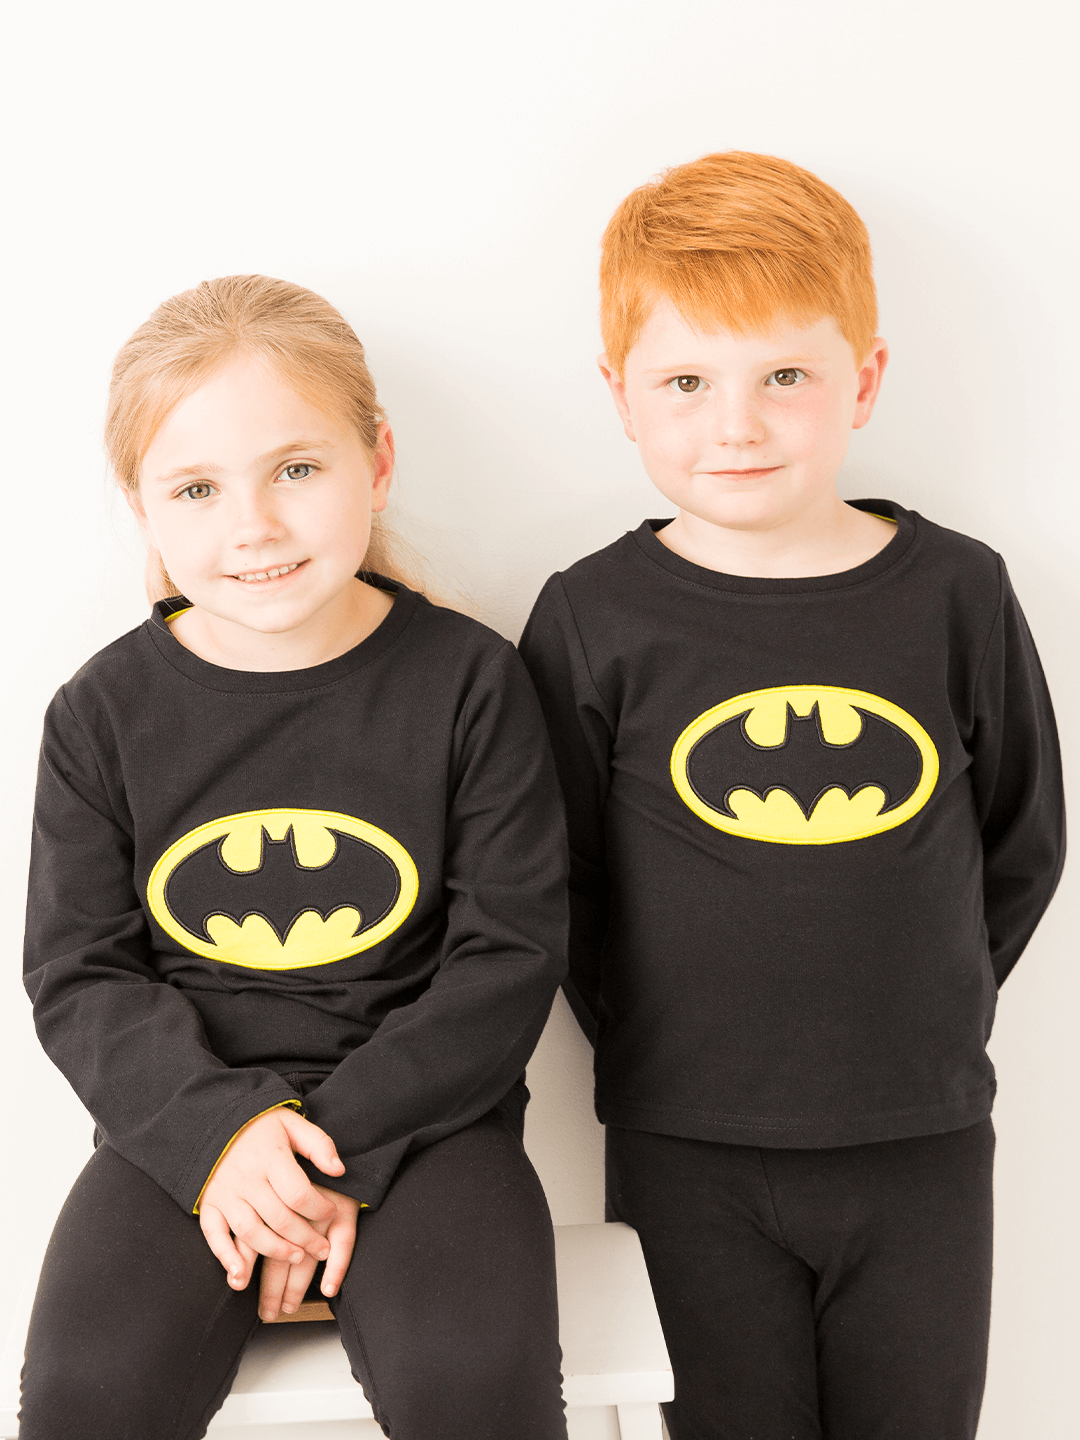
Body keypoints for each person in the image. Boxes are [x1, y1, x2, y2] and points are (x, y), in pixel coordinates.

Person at [519, 152, 1065, 1440]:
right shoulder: (594, 618)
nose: (738, 425)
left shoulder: (957, 594)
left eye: (785, 377)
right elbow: (556, 883)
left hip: (918, 1133)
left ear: (862, 379)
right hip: (689, 1140)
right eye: (687, 383)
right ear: (620, 393)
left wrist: (921, 1003)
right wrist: (660, 1042)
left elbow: (1020, 838)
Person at [21, 274, 569, 1440]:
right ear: (143, 506)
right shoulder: (103, 714)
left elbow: (508, 953)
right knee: (88, 1387)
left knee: (471, 1372)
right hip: (184, 1121)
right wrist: (227, 1141)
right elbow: (80, 974)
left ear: (378, 460)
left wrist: (324, 1160)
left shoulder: (469, 682)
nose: (254, 526)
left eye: (297, 470)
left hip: (432, 1120)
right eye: (197, 488)